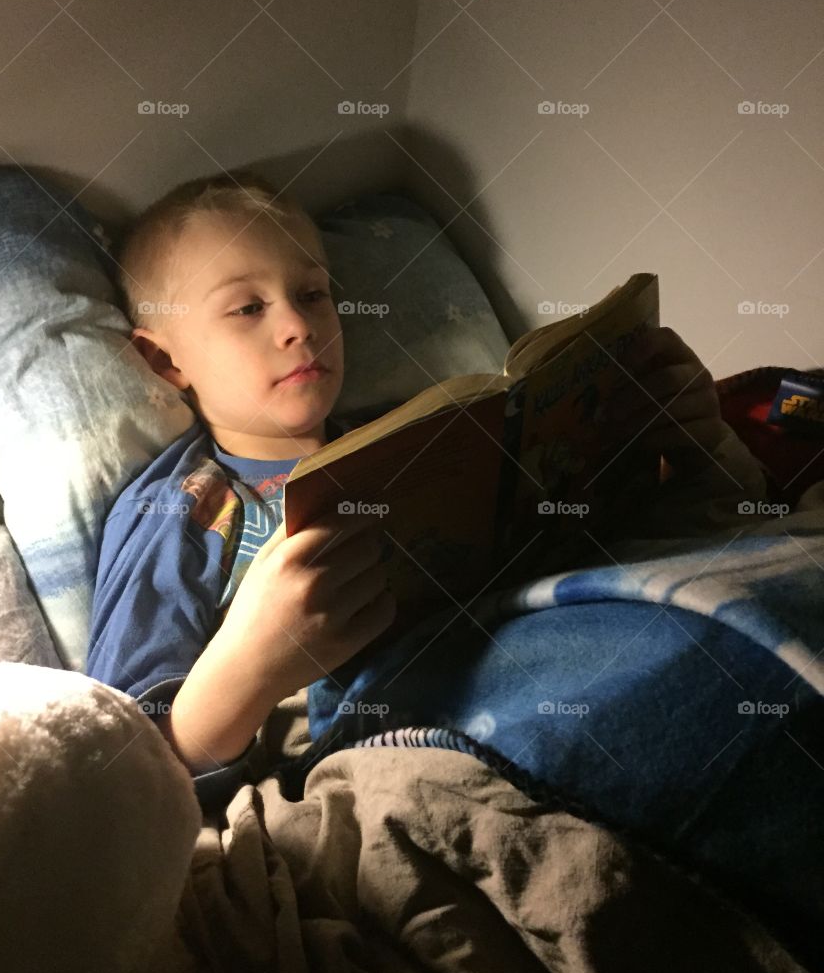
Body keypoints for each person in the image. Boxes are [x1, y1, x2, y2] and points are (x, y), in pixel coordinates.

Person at [86, 169, 768, 812]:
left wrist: (693, 442)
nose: (299, 325)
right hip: (385, 744)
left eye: (314, 293)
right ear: (165, 359)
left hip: (540, 651)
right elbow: (127, 767)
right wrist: (254, 663)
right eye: (246, 307)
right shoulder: (185, 506)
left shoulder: (425, 438)